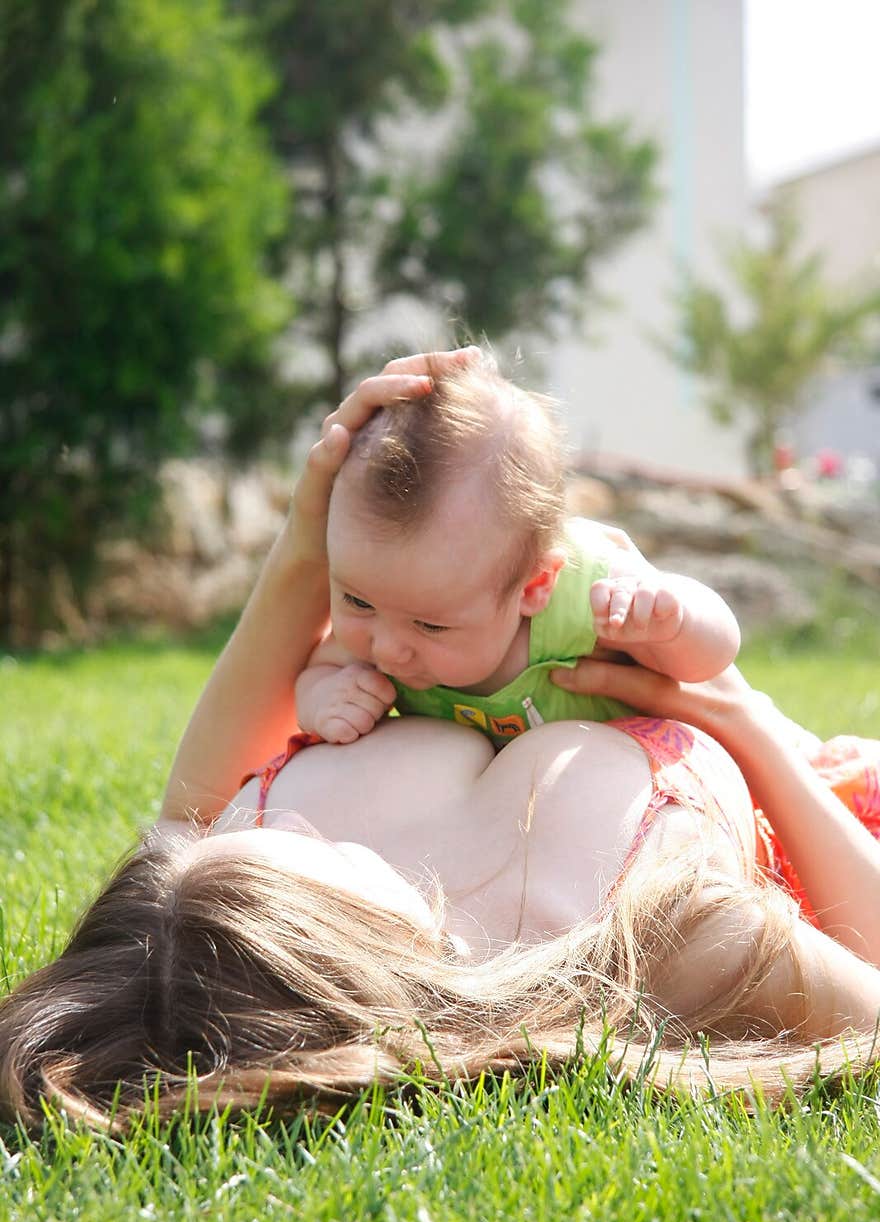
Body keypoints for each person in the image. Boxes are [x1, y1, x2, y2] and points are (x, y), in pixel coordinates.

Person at [1, 350, 879, 1134]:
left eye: (250, 838)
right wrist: (744, 727)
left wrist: (316, 532)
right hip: (792, 778)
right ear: (333, 949)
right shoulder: (641, 936)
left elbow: (183, 823)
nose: (283, 827)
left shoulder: (211, 903)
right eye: (276, 864)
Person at [294, 350, 741, 746]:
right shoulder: (383, 622)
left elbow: (712, 657)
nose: (388, 650)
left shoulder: (590, 592)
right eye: (356, 600)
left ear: (535, 584)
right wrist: (324, 699)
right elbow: (319, 671)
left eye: (430, 626)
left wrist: (672, 619)